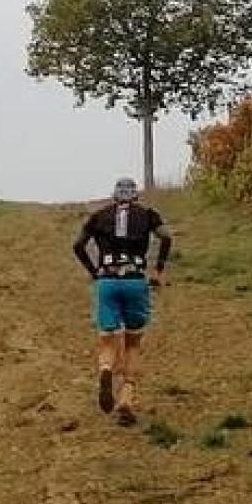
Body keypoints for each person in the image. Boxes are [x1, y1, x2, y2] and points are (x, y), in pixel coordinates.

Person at [72, 177, 173, 425]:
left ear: (115, 196)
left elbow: (78, 245)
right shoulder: (148, 214)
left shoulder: (99, 216)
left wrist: (94, 271)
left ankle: (106, 369)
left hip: (107, 281)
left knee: (107, 340)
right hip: (135, 281)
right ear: (135, 195)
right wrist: (158, 269)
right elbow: (166, 237)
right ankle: (126, 397)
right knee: (133, 342)